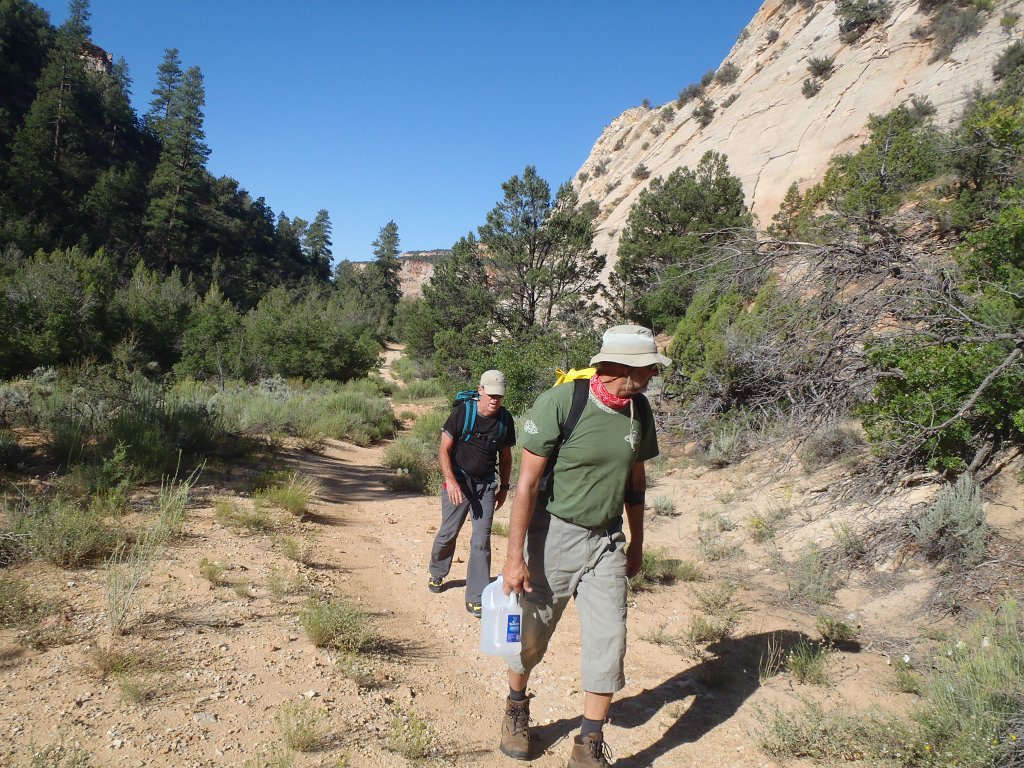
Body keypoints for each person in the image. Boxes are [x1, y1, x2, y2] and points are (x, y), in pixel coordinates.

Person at [497, 325, 668, 768]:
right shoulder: (563, 401)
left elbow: (636, 482)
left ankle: (588, 743)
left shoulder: (639, 411)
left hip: (607, 538)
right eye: (647, 367)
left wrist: (636, 542)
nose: (652, 375)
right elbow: (527, 485)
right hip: (553, 534)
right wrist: (514, 558)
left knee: (610, 636)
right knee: (531, 633)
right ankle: (516, 706)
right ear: (619, 366)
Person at [427, 369, 516, 617]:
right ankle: (437, 571)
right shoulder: (462, 413)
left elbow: (506, 456)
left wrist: (504, 487)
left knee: (481, 540)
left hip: (486, 485)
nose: (494, 400)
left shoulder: (505, 421)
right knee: (448, 532)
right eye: (490, 395)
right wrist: (450, 481)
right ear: (480, 391)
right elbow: (444, 449)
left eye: (499, 396)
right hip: (458, 482)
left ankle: (476, 596)